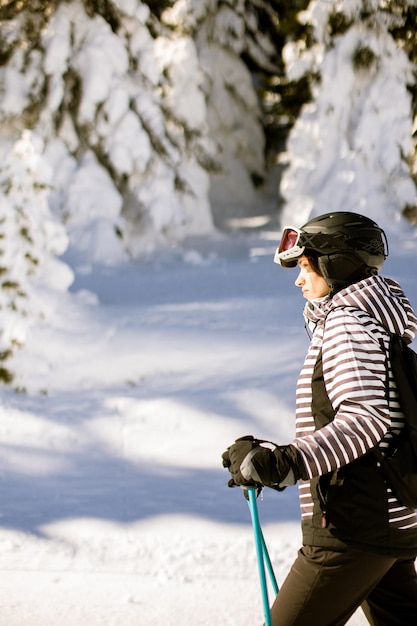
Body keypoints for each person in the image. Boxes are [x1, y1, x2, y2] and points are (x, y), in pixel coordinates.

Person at [222, 211, 417, 625]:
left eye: (307, 267)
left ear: (337, 264)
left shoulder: (348, 323)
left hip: (353, 525)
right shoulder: (373, 324)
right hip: (385, 520)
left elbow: (365, 418)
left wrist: (283, 463)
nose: (299, 280)